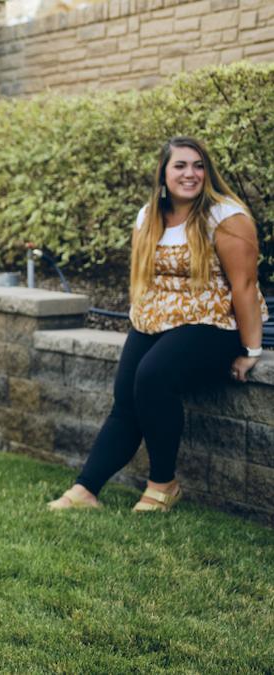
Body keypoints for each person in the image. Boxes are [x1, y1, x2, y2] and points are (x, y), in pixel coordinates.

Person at [48, 137, 267, 513]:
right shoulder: (148, 215)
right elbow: (144, 277)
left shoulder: (227, 217)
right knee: (127, 399)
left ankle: (163, 484)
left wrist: (250, 350)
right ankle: (86, 489)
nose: (190, 174)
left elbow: (244, 286)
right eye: (180, 165)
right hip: (157, 319)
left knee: (152, 377)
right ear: (163, 174)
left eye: (198, 166)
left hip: (212, 319)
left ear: (207, 172)